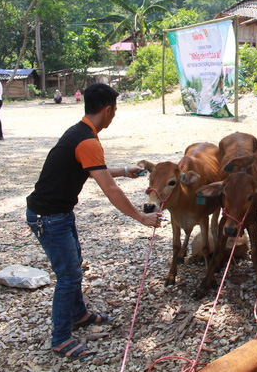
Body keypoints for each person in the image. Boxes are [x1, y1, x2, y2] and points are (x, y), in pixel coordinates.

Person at [25, 82, 162, 359]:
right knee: (69, 276)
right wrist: (141, 217)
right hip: (49, 218)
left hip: (59, 213)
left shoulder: (81, 132)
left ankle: (78, 314)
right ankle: (61, 338)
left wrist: (124, 170)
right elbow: (109, 189)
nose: (115, 115)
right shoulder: (87, 140)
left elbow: (90, 170)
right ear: (108, 110)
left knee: (73, 266)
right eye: (116, 110)